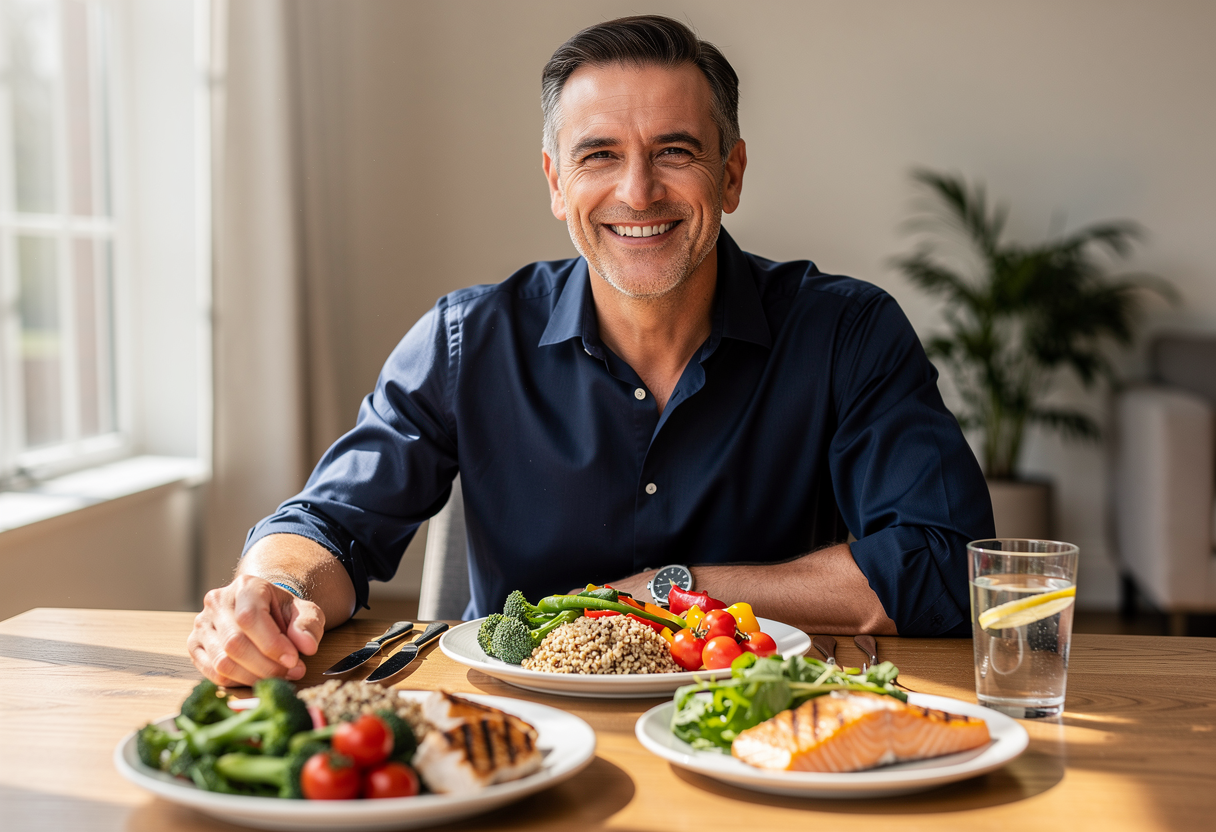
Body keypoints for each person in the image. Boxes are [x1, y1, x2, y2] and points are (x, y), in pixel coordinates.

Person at [188, 15, 993, 687]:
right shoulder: (465, 341)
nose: (637, 192)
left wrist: (675, 590)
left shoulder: (847, 333)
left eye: (675, 151)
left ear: (732, 173)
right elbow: (328, 526)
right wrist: (272, 589)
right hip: (517, 736)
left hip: (761, 728)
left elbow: (944, 565)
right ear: (555, 181)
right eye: (599, 154)